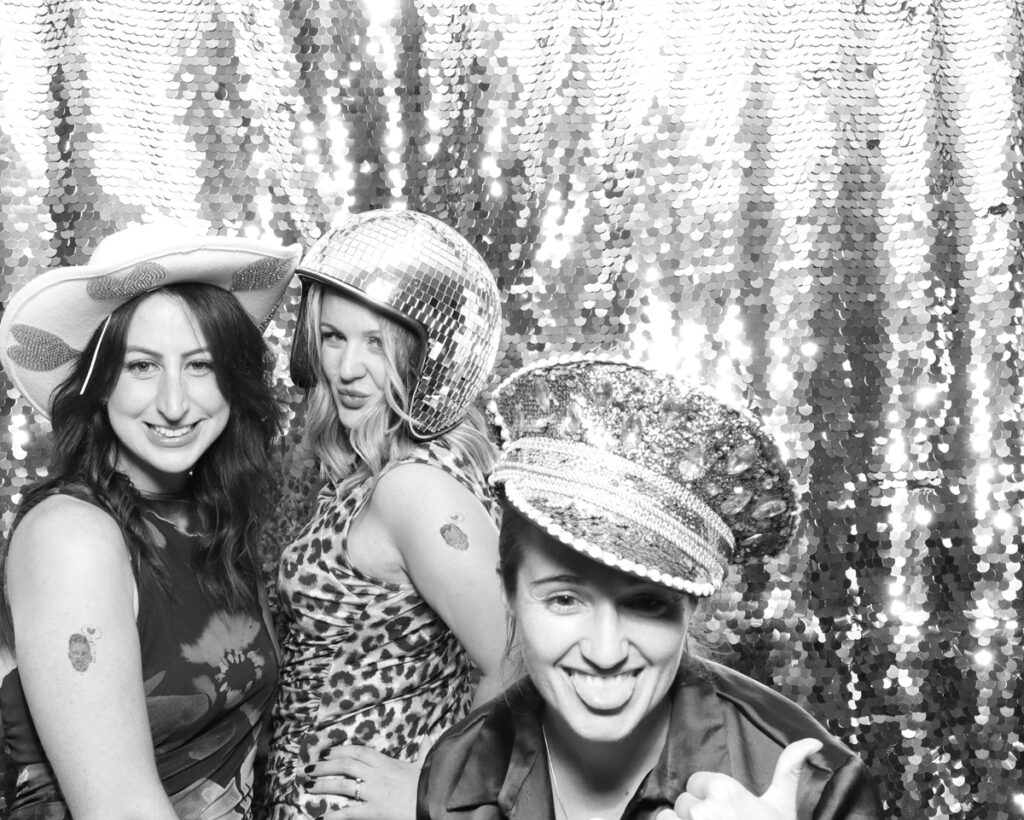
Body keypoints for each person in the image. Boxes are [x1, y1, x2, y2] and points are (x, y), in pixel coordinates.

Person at [418, 356, 885, 820]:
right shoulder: (456, 774)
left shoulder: (818, 789)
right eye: (564, 599)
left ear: (692, 606)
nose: (604, 652)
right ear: (510, 595)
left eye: (645, 603)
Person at [0, 223, 300, 819]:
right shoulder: (73, 537)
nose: (172, 403)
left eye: (200, 365)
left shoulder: (208, 516)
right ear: (99, 379)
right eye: (141, 366)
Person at [266, 209, 510, 819]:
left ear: (424, 352)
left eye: (377, 341)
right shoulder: (373, 464)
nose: (347, 369)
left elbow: (524, 659)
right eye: (333, 336)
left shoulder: (414, 489)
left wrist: (435, 785)